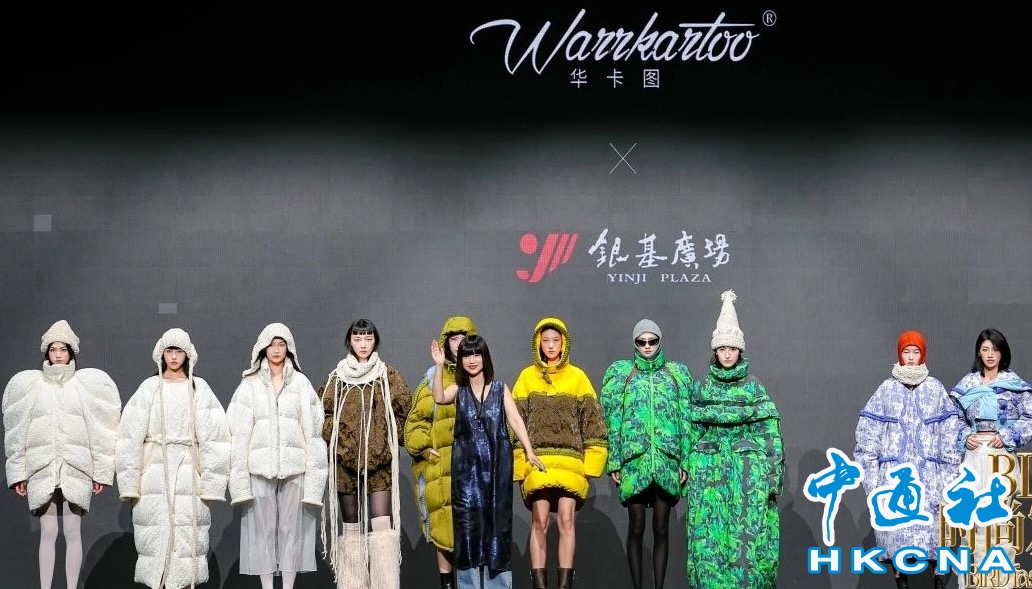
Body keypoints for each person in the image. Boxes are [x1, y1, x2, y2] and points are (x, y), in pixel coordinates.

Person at [2, 320, 122, 589]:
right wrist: (18, 472)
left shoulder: (83, 386)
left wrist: (100, 471)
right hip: (41, 467)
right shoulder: (32, 387)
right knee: (48, 531)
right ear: (47, 352)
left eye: (63, 349)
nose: (58, 355)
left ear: (71, 352)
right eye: (53, 349)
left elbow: (99, 430)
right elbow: (17, 431)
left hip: (75, 466)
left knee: (72, 531)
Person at [115, 327, 230, 589]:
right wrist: (130, 484)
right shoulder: (149, 388)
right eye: (169, 350)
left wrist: (211, 487)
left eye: (179, 350)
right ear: (161, 353)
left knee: (186, 542)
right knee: (155, 540)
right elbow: (129, 436)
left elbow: (215, 438)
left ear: (188, 354)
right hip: (154, 475)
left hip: (189, 474)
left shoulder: (198, 388)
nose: (174, 356)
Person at [684, 290, 783, 589]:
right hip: (708, 477)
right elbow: (691, 434)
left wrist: (772, 479)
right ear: (715, 351)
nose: (727, 354)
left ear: (740, 351)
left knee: (749, 543)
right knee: (707, 541)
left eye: (732, 348)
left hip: (747, 478)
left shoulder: (754, 389)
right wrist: (689, 468)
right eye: (722, 348)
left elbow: (770, 436)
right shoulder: (701, 389)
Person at [429, 334, 544, 589]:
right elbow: (438, 397)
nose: (472, 360)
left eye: (476, 354)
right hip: (465, 473)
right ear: (461, 360)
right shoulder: (458, 390)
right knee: (467, 529)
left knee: (497, 528)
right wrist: (438, 366)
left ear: (485, 358)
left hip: (496, 469)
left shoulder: (500, 388)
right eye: (467, 355)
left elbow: (515, 420)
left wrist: (529, 450)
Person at [854, 330, 963, 589]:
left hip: (931, 481)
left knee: (936, 539)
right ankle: (901, 583)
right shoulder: (886, 389)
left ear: (923, 354)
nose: (911, 357)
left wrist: (949, 477)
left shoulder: (935, 389)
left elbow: (950, 435)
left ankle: (938, 582)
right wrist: (873, 481)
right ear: (899, 354)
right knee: (896, 540)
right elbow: (868, 435)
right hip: (894, 480)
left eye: (916, 352)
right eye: (906, 352)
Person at [227, 323, 328, 589]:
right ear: (263, 347)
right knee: (264, 530)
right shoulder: (249, 385)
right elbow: (238, 434)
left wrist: (315, 476)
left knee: (290, 530)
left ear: (289, 348)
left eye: (281, 344)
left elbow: (313, 432)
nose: (276, 350)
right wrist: (238, 481)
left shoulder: (301, 384)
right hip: (260, 468)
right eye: (271, 344)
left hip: (294, 468)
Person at [511, 317, 607, 589]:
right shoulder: (526, 378)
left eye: (556, 340)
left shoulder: (578, 378)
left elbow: (593, 421)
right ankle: (540, 585)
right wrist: (519, 463)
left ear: (564, 343)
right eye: (546, 340)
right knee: (539, 521)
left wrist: (592, 463)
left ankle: (564, 586)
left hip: (570, 462)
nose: (551, 346)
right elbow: (515, 423)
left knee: (566, 520)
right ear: (538, 343)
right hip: (538, 462)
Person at [599, 319, 693, 589]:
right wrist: (615, 461)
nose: (648, 346)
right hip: (635, 461)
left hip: (666, 459)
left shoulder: (676, 375)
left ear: (660, 341)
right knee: (636, 526)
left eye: (653, 341)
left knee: (662, 527)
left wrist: (684, 460)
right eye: (642, 342)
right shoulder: (622, 375)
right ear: (635, 343)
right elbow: (612, 420)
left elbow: (686, 419)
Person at [320, 318, 411, 589]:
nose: (363, 344)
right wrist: (340, 444)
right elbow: (323, 414)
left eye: (368, 338)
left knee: (382, 527)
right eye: (358, 338)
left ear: (375, 341)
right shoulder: (337, 378)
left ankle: (385, 584)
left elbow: (405, 411)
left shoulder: (388, 375)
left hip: (380, 464)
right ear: (350, 341)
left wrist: (386, 442)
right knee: (351, 529)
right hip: (345, 464)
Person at [950, 328, 1032, 589]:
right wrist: (965, 436)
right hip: (974, 457)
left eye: (995, 349)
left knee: (1000, 523)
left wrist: (1007, 435)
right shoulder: (967, 385)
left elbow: (1029, 418)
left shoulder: (1015, 385)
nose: (990, 355)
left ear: (1002, 352)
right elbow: (953, 420)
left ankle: (1001, 584)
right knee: (971, 523)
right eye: (985, 349)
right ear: (978, 352)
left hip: (1001, 457)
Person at [405, 316, 478, 589]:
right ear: (446, 342)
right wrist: (425, 449)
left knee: (472, 532)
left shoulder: (481, 375)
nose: (459, 344)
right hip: (440, 467)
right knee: (443, 531)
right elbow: (415, 422)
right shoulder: (432, 377)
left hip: (472, 467)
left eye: (464, 338)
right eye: (453, 339)